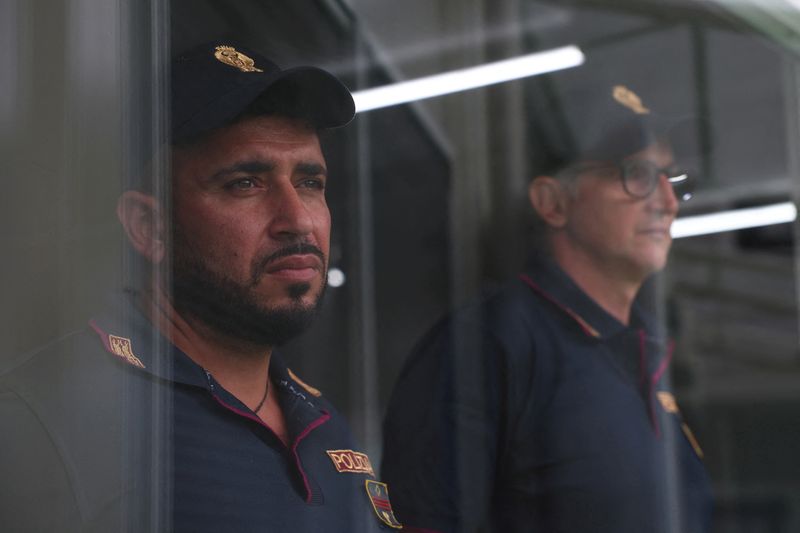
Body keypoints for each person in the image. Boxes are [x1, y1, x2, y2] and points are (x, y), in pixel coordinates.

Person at [0, 42, 401, 532]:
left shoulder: (327, 427)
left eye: (310, 182)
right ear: (150, 226)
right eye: (245, 183)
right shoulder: (46, 418)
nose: (297, 219)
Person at [381, 84, 712, 532]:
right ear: (552, 202)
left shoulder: (646, 353)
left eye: (672, 180)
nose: (668, 203)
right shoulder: (486, 346)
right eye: (637, 174)